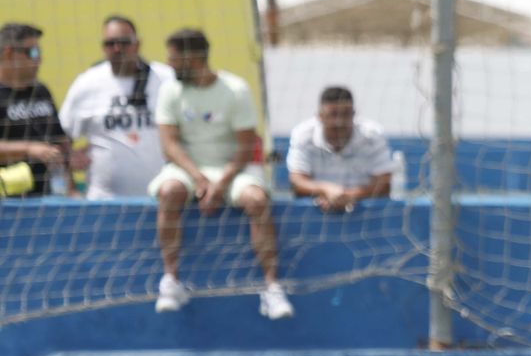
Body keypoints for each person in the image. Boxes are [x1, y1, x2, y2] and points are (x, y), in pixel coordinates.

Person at [149, 28, 292, 319]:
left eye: (174, 58)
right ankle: (171, 281)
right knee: (170, 191)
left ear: (193, 58)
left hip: (232, 169)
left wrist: (220, 184)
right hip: (187, 169)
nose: (169, 64)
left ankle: (272, 288)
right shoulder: (170, 91)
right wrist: (200, 179)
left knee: (256, 200)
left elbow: (246, 146)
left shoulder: (235, 89)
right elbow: (169, 145)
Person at [58, 15, 174, 200]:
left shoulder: (165, 79)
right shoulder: (87, 83)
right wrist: (70, 185)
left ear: (137, 44)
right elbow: (61, 137)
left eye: (124, 42)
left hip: (161, 200)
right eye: (110, 43)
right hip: (104, 201)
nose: (117, 49)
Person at [286, 85, 395, 213]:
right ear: (320, 116)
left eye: (345, 114)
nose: (339, 122)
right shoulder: (303, 135)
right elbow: (296, 182)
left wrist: (343, 196)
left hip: (367, 216)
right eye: (333, 114)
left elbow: (384, 185)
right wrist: (325, 189)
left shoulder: (373, 135)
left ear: (354, 114)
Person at [0, 23, 73, 197]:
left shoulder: (41, 91)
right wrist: (29, 149)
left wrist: (72, 190)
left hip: (49, 199)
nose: (39, 59)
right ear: (9, 53)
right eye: (32, 52)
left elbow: (60, 142)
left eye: (39, 52)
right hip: (7, 203)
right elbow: (35, 149)